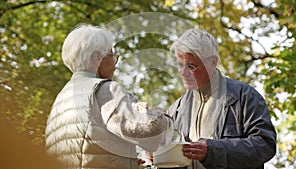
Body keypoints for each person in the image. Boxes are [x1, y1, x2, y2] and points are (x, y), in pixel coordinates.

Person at [45, 24, 174, 169]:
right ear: (97, 58)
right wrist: (162, 117)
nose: (114, 65)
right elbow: (145, 130)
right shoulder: (105, 89)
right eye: (112, 56)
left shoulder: (61, 100)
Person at [166, 28, 276, 169]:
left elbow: (265, 146)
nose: (183, 73)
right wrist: (157, 155)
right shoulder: (175, 110)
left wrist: (212, 150)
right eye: (180, 65)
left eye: (190, 66)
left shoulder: (244, 96)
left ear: (213, 62)